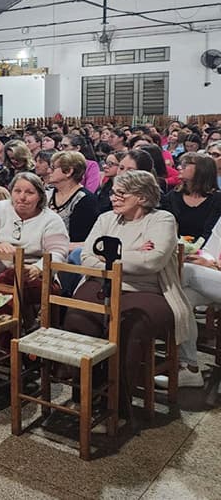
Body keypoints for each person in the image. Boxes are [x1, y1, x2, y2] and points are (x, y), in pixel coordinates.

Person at [68, 170, 194, 419]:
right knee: (77, 317)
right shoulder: (106, 218)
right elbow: (86, 256)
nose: (113, 197)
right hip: (101, 283)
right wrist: (134, 251)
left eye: (120, 193)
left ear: (141, 197)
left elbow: (152, 263)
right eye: (113, 192)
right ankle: (85, 393)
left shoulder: (162, 219)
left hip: (148, 290)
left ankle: (117, 404)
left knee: (129, 328)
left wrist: (110, 255)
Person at [0, 172, 70, 333]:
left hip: (31, 274)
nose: (22, 197)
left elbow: (58, 252)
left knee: (6, 285)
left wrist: (38, 268)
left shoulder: (51, 219)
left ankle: (6, 346)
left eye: (29, 193)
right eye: (17, 191)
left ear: (40, 196)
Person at [157, 216, 221, 389]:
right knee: (182, 298)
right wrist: (204, 259)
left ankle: (143, 292)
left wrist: (214, 266)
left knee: (188, 272)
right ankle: (191, 369)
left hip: (215, 274)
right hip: (214, 278)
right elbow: (209, 250)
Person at [161, 152, 221, 243]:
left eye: (185, 165)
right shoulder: (173, 195)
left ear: (202, 169)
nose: (179, 168)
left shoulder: (217, 199)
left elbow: (210, 232)